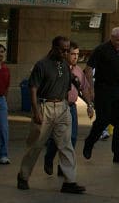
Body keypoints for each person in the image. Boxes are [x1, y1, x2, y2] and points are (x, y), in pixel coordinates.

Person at [16, 36, 86, 194]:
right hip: (45, 106)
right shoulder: (42, 65)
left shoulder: (64, 65)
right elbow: (33, 88)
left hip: (62, 107)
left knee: (66, 145)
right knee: (36, 145)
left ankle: (70, 181)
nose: (65, 53)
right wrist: (36, 111)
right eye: (63, 50)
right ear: (54, 48)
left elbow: (71, 86)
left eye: (68, 50)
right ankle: (23, 176)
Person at [83, 27, 119, 164]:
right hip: (103, 89)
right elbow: (88, 69)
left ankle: (118, 154)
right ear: (111, 37)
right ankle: (90, 142)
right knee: (103, 120)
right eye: (117, 40)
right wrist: (91, 89)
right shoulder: (101, 50)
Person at [44, 42, 93, 177]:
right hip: (59, 106)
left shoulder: (78, 70)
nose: (75, 57)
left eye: (78, 54)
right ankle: (49, 157)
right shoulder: (58, 68)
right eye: (73, 54)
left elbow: (84, 88)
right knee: (57, 138)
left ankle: (63, 167)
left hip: (71, 107)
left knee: (72, 137)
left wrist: (89, 105)